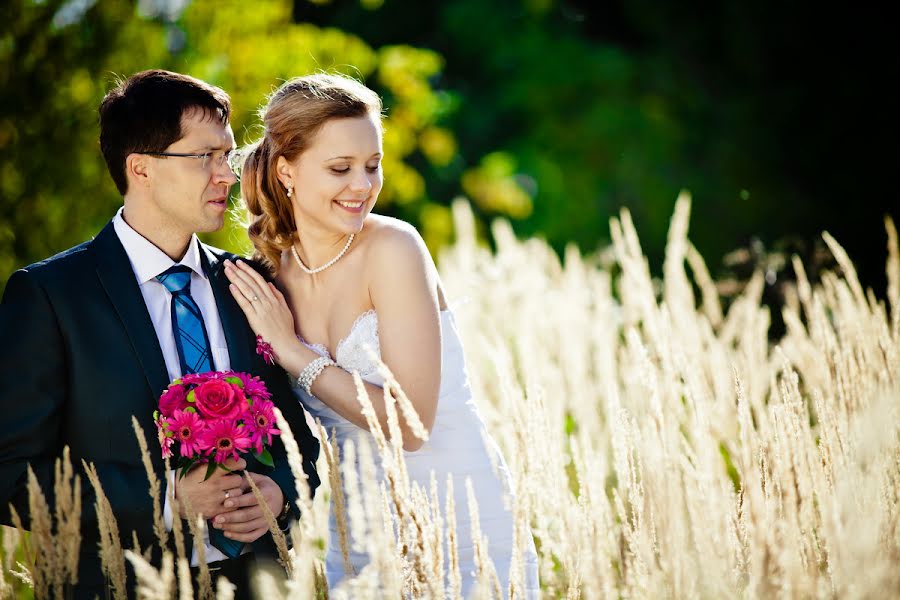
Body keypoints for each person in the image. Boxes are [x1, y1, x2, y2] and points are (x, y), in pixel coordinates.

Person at [0, 69, 320, 599]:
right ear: (140, 169)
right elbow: (10, 475)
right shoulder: (51, 296)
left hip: (259, 583)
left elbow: (299, 441)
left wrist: (279, 493)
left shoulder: (252, 284)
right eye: (205, 157)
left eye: (229, 156)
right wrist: (167, 502)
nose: (227, 175)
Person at [223, 73, 539, 597]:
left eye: (372, 166)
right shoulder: (271, 278)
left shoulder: (394, 247)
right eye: (340, 168)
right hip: (361, 531)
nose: (363, 186)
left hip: (460, 520)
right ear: (286, 171)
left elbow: (411, 425)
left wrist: (296, 354)